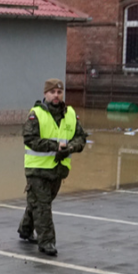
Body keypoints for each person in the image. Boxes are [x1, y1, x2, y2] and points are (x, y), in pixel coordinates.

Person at [19, 78, 87, 256]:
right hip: (37, 170)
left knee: (39, 202)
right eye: (52, 92)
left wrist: (71, 147)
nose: (56, 95)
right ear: (45, 94)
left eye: (59, 92)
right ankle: (47, 242)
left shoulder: (70, 113)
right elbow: (30, 139)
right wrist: (54, 146)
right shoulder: (36, 114)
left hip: (58, 170)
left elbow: (81, 137)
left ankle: (25, 229)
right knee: (43, 205)